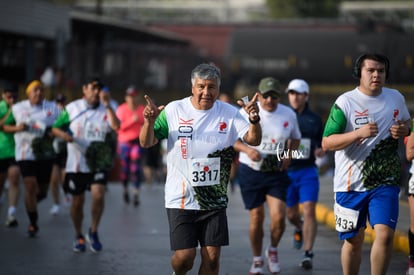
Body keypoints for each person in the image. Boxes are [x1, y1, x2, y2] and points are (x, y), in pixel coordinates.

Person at [139, 63, 262, 275]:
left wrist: (253, 119)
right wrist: (148, 123)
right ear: (193, 88)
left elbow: (254, 139)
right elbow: (146, 142)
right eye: (201, 86)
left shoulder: (230, 113)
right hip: (181, 197)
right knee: (184, 258)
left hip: (214, 199)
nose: (206, 92)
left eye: (211, 87)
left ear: (218, 89)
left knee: (212, 259)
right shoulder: (174, 110)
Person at [322, 53, 410, 275]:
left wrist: (405, 130)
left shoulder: (396, 98)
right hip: (350, 184)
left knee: (385, 234)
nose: (376, 75)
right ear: (359, 73)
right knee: (354, 241)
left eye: (380, 71)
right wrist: (357, 133)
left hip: (385, 182)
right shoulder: (345, 102)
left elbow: (407, 123)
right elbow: (327, 142)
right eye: (370, 70)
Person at [233, 77, 301, 275]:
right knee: (256, 217)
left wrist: (289, 155)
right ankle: (257, 259)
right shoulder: (247, 112)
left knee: (279, 218)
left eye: (274, 96)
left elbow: (295, 138)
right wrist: (247, 151)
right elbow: (232, 141)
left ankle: (272, 250)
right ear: (258, 95)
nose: (270, 100)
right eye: (266, 96)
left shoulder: (288, 114)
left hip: (276, 171)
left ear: (279, 97)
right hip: (251, 170)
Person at [52, 77, 120, 252]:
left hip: (98, 161)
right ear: (85, 89)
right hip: (77, 162)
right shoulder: (73, 108)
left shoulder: (108, 106)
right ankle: (78, 234)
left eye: (99, 89)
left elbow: (116, 126)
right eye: (93, 88)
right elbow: (55, 128)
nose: (96, 92)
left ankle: (94, 230)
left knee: (98, 194)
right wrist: (64, 136)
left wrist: (107, 105)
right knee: (78, 201)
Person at [285, 78, 325, 270]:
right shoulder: (281, 115)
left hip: (308, 170)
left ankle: (308, 252)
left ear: (306, 96)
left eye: (299, 93)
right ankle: (299, 226)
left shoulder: (315, 119)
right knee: (291, 214)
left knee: (309, 209)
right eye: (291, 93)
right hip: (286, 172)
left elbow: (322, 142)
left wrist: (321, 150)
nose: (295, 97)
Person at [12, 80, 61, 237]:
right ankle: (33, 222)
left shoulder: (52, 107)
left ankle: (31, 202)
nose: (38, 93)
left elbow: (58, 126)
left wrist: (50, 130)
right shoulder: (18, 108)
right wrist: (16, 128)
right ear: (28, 93)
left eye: (41, 90)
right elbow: (4, 125)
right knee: (30, 185)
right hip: (25, 153)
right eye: (35, 90)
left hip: (45, 153)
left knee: (42, 192)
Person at [115, 85, 145, 206]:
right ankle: (125, 189)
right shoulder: (121, 109)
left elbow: (148, 125)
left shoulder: (142, 109)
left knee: (135, 167)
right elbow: (117, 127)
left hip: (137, 142)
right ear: (126, 98)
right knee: (125, 169)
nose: (132, 99)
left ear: (137, 97)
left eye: (134, 96)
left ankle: (136, 192)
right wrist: (132, 120)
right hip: (124, 142)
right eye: (129, 96)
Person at [0, 83, 23, 227]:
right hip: (1, 150)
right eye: (9, 96)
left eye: (14, 96)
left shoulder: (21, 108)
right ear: (3, 96)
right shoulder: (1, 107)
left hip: (15, 150)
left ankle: (12, 213)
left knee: (14, 177)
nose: (11, 98)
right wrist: (10, 111)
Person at [49, 93, 70, 215]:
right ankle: (56, 203)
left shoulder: (68, 114)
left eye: (62, 102)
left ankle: (67, 193)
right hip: (53, 150)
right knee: (53, 179)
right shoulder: (51, 115)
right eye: (58, 102)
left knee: (64, 177)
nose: (60, 105)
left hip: (65, 149)